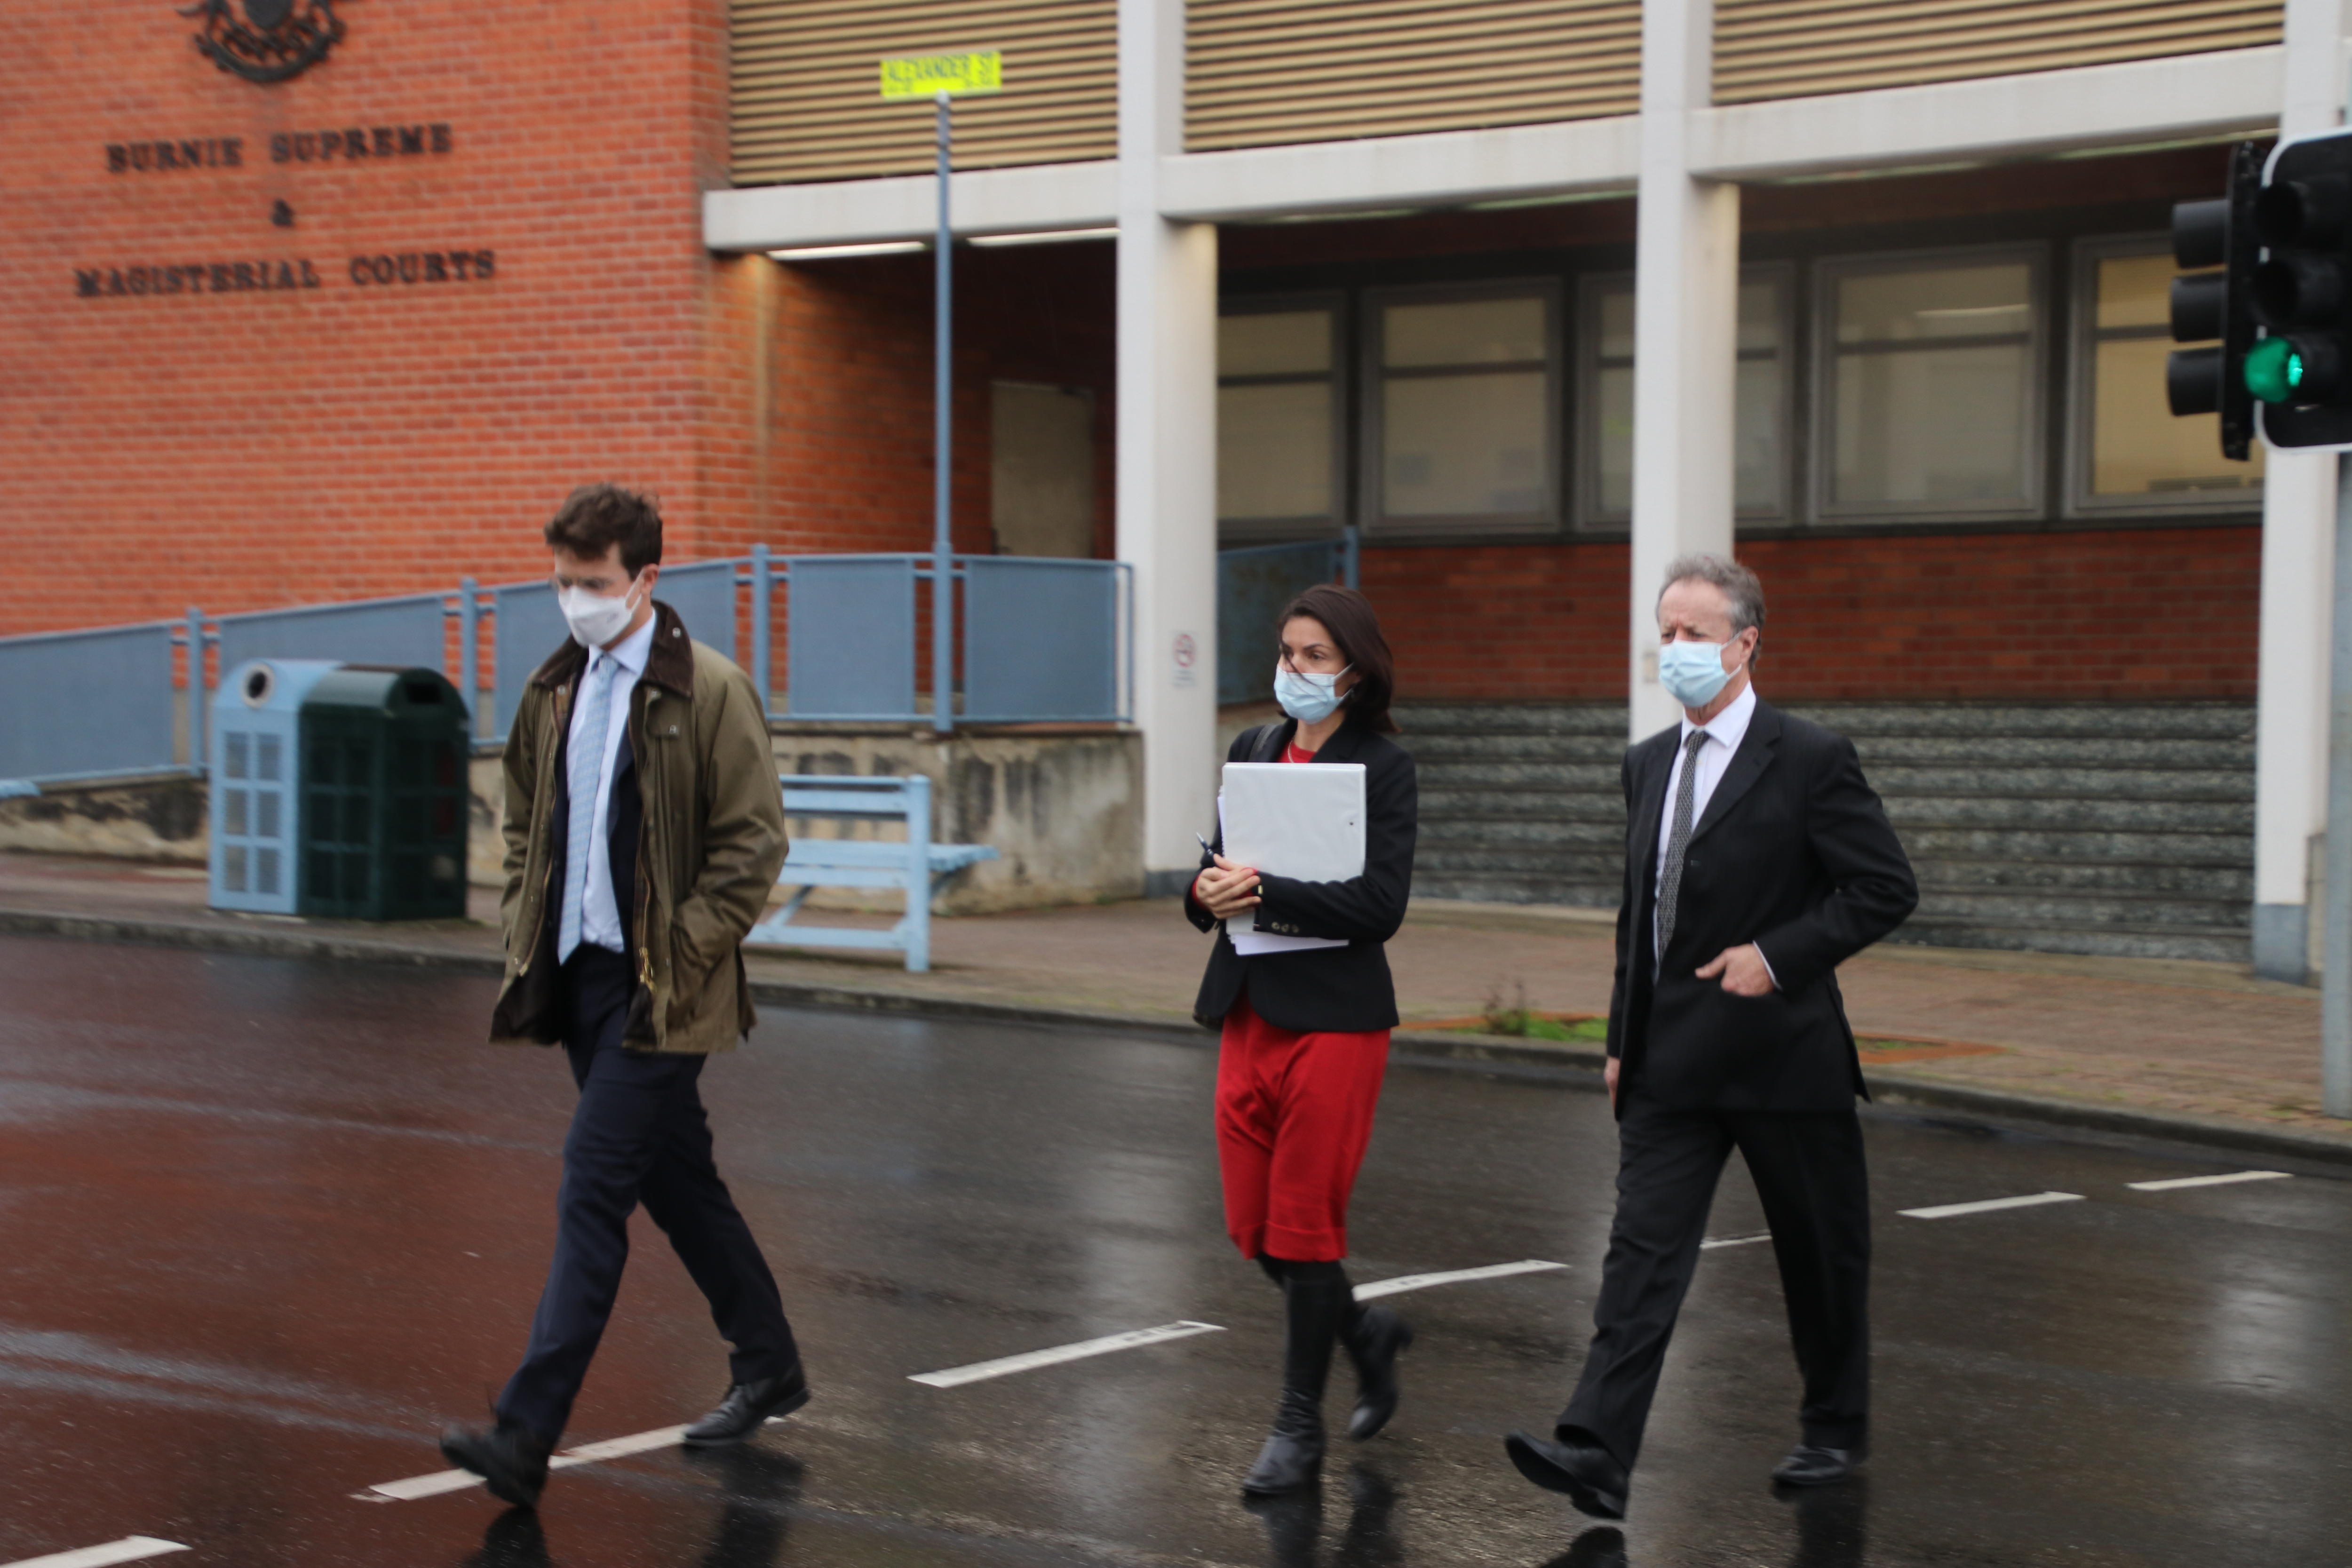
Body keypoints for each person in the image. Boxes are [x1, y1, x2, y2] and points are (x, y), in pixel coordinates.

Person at [1505, 553, 1917, 1518]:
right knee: (1639, 1256)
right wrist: (1621, 1037)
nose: (1676, 650)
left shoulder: (1810, 756)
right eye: (1666, 632)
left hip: (1784, 1057)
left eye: (1694, 633)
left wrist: (1776, 954)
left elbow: (1884, 888)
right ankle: (1597, 1450)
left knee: (1820, 1255)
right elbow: (1636, 915)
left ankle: (1831, 1426)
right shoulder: (1646, 761)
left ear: (1746, 643)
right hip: (1669, 1061)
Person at [440, 484, 807, 1509]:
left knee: (593, 1183)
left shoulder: (711, 691)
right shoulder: (554, 686)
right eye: (563, 582)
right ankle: (769, 1359)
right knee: (675, 1179)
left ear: (647, 578)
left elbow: (752, 842)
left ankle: (525, 1431)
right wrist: (525, 918)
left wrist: (685, 953)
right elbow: (525, 819)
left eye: (594, 583)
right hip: (582, 978)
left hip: (665, 986)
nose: (576, 601)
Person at [1185, 583, 1419, 1496]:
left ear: (1354, 670)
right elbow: (1210, 874)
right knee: (1258, 1233)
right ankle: (1365, 1332)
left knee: (1305, 1229)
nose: (1294, 670)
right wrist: (1204, 892)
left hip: (1335, 1019)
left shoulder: (1382, 767)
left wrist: (1263, 887)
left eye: (1313, 656)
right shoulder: (1251, 747)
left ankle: (1296, 1428)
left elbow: (1379, 908)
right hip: (1248, 1006)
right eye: (1287, 653)